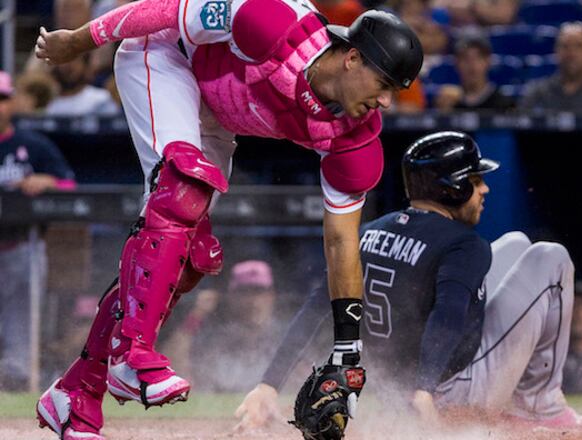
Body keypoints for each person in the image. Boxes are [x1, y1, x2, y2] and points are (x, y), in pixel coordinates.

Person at [34, 2, 423, 439]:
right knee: (183, 192)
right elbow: (163, 10)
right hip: (164, 57)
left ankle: (76, 394)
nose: (388, 101)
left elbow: (341, 244)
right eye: (385, 84)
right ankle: (132, 354)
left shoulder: (356, 138)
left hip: (215, 112)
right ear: (352, 57)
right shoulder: (271, 21)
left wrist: (348, 349)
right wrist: (78, 40)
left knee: (181, 261)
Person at [235, 132, 582, 433]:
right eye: (474, 180)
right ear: (452, 188)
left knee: (516, 244)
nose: (484, 189)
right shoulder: (463, 243)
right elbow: (448, 314)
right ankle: (540, 406)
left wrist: (269, 383)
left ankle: (503, 400)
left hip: (397, 388)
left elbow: (318, 304)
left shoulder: (369, 231)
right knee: (551, 256)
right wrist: (425, 389)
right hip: (449, 392)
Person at [0, 70, 76, 391]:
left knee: (22, 328)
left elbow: (69, 184)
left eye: (2, 99)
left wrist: (46, 182)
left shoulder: (33, 145)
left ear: (13, 102)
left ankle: (19, 383)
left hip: (22, 247)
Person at [161, 260, 280, 392]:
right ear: (231, 296)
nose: (252, 300)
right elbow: (169, 368)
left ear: (271, 296)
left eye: (259, 291)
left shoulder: (286, 336)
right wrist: (196, 315)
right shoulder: (212, 336)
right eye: (244, 292)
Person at [434, 35, 515, 112]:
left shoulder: (503, 103)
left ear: (488, 61)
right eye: (465, 58)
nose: (472, 64)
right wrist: (444, 112)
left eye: (478, 57)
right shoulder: (449, 101)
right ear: (456, 63)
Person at [45, 54, 120, 116]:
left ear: (85, 65)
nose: (67, 66)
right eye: (63, 61)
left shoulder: (100, 98)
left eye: (74, 60)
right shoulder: (48, 101)